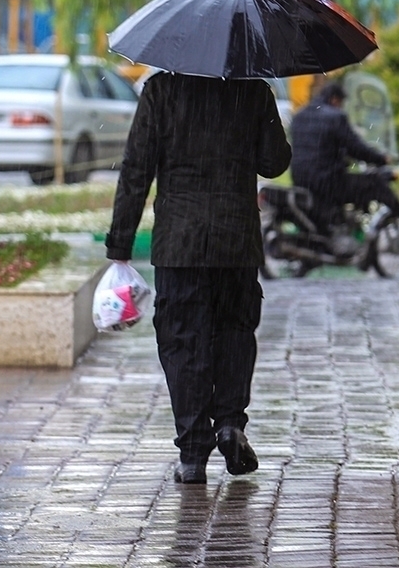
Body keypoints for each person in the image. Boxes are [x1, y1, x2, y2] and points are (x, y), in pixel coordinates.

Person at [105, 71, 291, 484]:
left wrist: (120, 243)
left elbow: (137, 169)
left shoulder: (161, 91)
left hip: (179, 244)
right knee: (234, 332)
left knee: (182, 340)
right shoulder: (253, 90)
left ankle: (192, 454)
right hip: (236, 241)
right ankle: (229, 423)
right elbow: (274, 163)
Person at [289, 82, 399, 228]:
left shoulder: (299, 116)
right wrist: (381, 159)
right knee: (375, 183)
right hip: (327, 182)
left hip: (302, 181)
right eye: (341, 102)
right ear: (335, 99)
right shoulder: (335, 116)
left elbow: (316, 148)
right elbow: (356, 148)